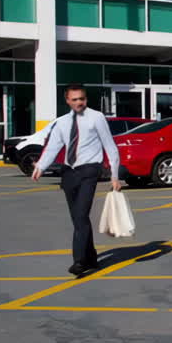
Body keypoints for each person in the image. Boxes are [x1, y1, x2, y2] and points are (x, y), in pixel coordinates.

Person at [32, 84, 124, 277]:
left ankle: (79, 261)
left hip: (89, 170)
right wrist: (41, 166)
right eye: (74, 99)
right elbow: (53, 146)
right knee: (78, 219)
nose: (79, 102)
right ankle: (91, 257)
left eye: (81, 98)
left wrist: (115, 176)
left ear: (86, 99)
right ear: (67, 100)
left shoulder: (96, 117)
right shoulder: (62, 122)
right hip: (69, 173)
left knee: (81, 216)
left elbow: (110, 145)